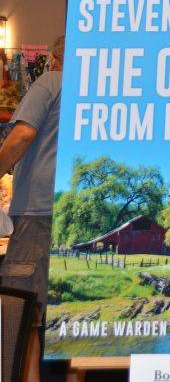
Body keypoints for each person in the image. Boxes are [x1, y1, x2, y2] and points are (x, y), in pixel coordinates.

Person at [0, 35, 64, 381]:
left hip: (37, 213)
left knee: (22, 314)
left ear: (54, 60)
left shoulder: (51, 81)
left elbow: (22, 135)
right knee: (64, 320)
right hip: (67, 211)